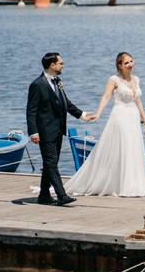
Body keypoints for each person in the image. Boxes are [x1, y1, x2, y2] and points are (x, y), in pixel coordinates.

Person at [64, 52, 145, 197]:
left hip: (133, 117)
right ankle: (121, 185)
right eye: (126, 63)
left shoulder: (136, 79)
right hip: (120, 116)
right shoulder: (114, 79)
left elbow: (138, 101)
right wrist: (98, 113)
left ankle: (133, 185)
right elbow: (106, 97)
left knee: (133, 148)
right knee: (123, 147)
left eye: (131, 61)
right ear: (119, 65)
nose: (130, 65)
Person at [26, 52, 94, 206]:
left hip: (58, 130)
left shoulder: (57, 81)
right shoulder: (37, 84)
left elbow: (66, 103)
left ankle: (44, 195)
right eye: (61, 63)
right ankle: (61, 195)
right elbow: (31, 111)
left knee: (51, 163)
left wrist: (82, 115)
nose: (63, 65)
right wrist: (33, 132)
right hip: (44, 132)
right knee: (51, 163)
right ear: (52, 65)